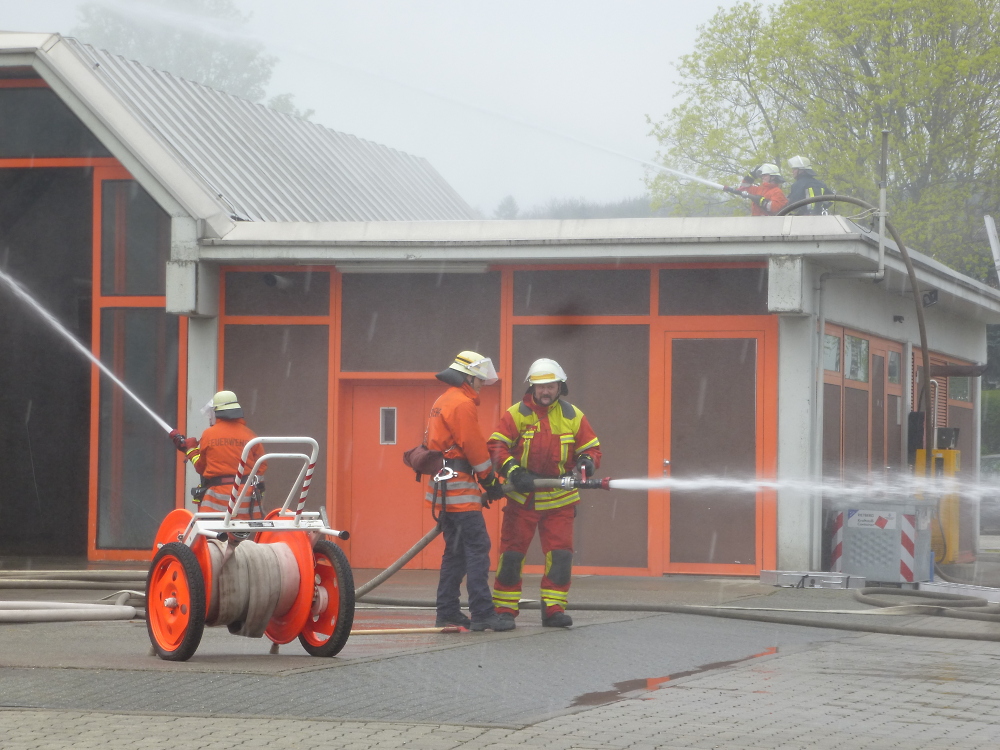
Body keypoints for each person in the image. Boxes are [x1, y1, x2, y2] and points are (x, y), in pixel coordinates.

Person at [488, 358, 601, 629]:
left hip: (560, 501)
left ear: (560, 386)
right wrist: (514, 471)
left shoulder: (573, 416)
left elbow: (591, 448)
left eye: (550, 386)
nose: (545, 391)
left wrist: (587, 461)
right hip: (522, 500)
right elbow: (497, 447)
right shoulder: (516, 414)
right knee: (512, 556)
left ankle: (553, 609)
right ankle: (504, 610)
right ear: (532, 387)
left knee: (560, 557)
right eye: (540, 387)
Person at [425, 351, 511, 632]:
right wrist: (490, 481)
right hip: (459, 489)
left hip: (444, 488)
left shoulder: (443, 400)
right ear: (468, 378)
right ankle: (482, 613)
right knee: (477, 548)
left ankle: (447, 612)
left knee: (455, 553)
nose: (482, 384)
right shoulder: (462, 404)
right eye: (479, 379)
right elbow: (474, 447)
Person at [169, 390, 266, 517]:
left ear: (217, 412)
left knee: (207, 529)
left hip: (217, 501)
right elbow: (261, 467)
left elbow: (201, 467)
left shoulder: (209, 435)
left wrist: (191, 450)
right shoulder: (250, 435)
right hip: (248, 502)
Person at [723, 163, 788, 216]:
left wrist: (763, 202)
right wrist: (751, 176)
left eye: (765, 175)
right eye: (762, 175)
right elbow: (744, 188)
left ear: (773, 177)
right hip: (756, 222)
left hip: (768, 224)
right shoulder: (759, 189)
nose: (762, 177)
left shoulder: (777, 191)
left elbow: (776, 208)